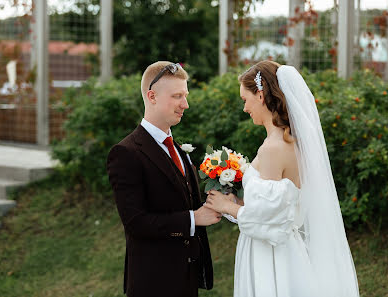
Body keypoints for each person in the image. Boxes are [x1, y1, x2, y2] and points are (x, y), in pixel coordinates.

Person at [205, 60, 360, 297]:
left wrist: (227, 206)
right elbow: (277, 208)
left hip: (269, 256)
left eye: (245, 99)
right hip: (286, 247)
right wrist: (237, 204)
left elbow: (268, 219)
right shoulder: (291, 143)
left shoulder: (273, 148)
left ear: (260, 95)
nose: (244, 108)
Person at [107, 61, 221, 297]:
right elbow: (136, 223)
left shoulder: (177, 148)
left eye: (185, 95)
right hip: (153, 282)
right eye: (177, 96)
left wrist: (223, 204)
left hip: (186, 279)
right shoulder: (126, 153)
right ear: (152, 96)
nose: (185, 104)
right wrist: (193, 219)